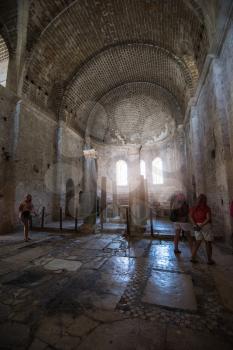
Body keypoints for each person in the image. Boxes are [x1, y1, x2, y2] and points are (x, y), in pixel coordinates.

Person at [189, 194, 215, 265]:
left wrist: (195, 225)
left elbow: (191, 217)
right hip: (205, 226)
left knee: (197, 242)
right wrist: (202, 225)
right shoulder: (206, 208)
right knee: (208, 243)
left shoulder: (193, 208)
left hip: (197, 225)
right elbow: (208, 218)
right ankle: (209, 260)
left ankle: (192, 257)